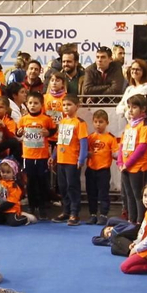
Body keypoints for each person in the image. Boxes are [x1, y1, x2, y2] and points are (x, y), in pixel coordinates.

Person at [17, 92, 56, 219]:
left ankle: (43, 206)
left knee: (42, 181)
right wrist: (19, 132)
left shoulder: (46, 119)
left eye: (36, 103)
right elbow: (18, 132)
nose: (33, 105)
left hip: (42, 156)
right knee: (30, 181)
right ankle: (32, 205)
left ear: (41, 105)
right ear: (26, 104)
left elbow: (53, 130)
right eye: (30, 103)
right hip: (28, 155)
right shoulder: (23, 119)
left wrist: (48, 133)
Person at [118, 93, 147, 225]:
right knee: (129, 195)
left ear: (143, 109)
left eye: (134, 107)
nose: (130, 110)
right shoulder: (129, 126)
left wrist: (128, 163)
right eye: (129, 107)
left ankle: (140, 221)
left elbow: (142, 147)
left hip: (139, 167)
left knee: (139, 195)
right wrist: (120, 162)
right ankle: (131, 220)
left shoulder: (145, 126)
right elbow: (122, 145)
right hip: (126, 167)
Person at [52, 96, 85, 225]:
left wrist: (81, 158)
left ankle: (74, 213)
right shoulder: (62, 122)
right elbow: (59, 141)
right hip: (61, 160)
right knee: (63, 187)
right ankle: (66, 211)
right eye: (64, 105)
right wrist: (53, 156)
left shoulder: (80, 123)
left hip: (72, 160)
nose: (66, 107)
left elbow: (83, 142)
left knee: (72, 187)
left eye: (69, 104)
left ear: (77, 106)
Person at [85, 109, 117, 224]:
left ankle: (103, 214)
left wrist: (120, 156)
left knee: (103, 193)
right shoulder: (90, 137)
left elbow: (115, 153)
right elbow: (84, 151)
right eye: (96, 122)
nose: (98, 124)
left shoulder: (110, 138)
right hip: (91, 169)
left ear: (107, 123)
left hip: (103, 170)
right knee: (91, 193)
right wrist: (86, 153)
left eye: (101, 122)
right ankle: (92, 214)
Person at [0, 157, 33, 226]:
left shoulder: (15, 187)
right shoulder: (1, 180)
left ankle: (26, 218)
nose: (5, 174)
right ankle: (5, 219)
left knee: (13, 222)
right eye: (3, 172)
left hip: (11, 210)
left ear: (13, 173)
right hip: (1, 210)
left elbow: (10, 203)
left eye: (8, 172)